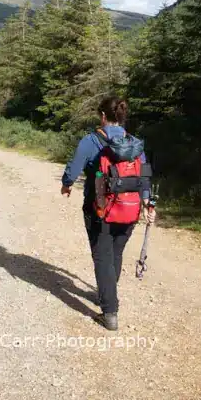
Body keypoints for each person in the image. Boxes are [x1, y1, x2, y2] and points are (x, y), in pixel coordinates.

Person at [60, 96, 156, 331]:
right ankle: (107, 293)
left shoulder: (92, 140)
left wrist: (67, 184)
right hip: (130, 210)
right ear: (122, 117)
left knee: (102, 257)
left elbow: (72, 172)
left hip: (100, 209)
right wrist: (147, 203)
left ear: (103, 116)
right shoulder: (134, 143)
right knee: (115, 253)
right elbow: (144, 177)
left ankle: (110, 312)